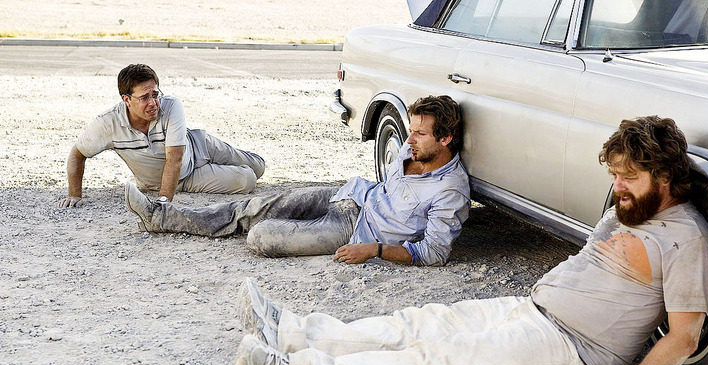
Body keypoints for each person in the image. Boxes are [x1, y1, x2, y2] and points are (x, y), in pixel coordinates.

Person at [232, 115, 708, 365]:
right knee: (416, 322)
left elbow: (683, 337)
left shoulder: (687, 240)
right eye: (614, 175)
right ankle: (294, 333)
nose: (617, 188)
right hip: (531, 308)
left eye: (629, 178)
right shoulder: (631, 207)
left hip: (572, 349)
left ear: (666, 175)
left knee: (442, 360)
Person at [124, 95, 470, 266]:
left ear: (445, 139)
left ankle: (240, 225)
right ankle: (159, 217)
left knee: (261, 236)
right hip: (349, 197)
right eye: (411, 131)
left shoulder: (451, 190)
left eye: (420, 134)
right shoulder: (413, 152)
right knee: (252, 206)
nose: (409, 141)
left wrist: (374, 250)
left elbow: (434, 253)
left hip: (357, 233)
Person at [59, 64, 266, 208]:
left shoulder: (172, 105)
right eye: (144, 97)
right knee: (246, 179)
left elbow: (175, 158)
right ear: (126, 100)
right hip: (184, 178)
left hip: (198, 145)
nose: (153, 102)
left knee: (258, 167)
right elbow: (77, 153)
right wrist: (75, 195)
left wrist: (163, 202)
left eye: (155, 94)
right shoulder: (108, 123)